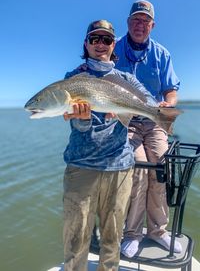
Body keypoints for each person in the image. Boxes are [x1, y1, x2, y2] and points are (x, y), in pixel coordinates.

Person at [62, 19, 152, 271]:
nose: (100, 44)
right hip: (82, 167)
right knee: (75, 239)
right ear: (86, 44)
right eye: (95, 39)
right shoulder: (74, 78)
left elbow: (146, 102)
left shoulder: (126, 79)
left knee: (112, 240)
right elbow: (77, 128)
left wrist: (129, 111)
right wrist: (82, 120)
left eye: (107, 40)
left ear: (114, 45)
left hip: (119, 167)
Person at [114, 0, 182, 258]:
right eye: (136, 20)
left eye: (145, 21)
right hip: (125, 121)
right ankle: (132, 233)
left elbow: (171, 89)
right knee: (138, 169)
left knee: (160, 167)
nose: (140, 25)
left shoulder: (162, 54)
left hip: (153, 120)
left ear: (152, 25)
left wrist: (169, 104)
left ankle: (158, 231)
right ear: (128, 22)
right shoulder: (114, 48)